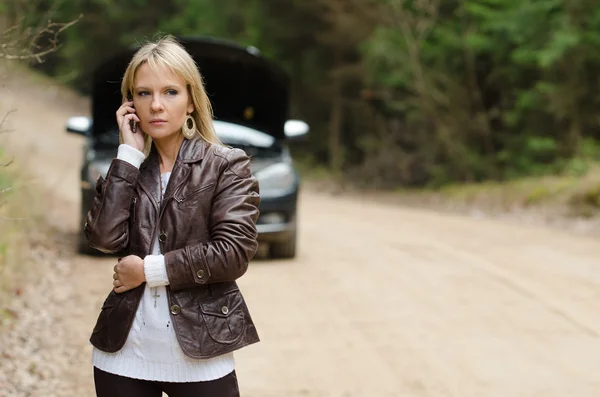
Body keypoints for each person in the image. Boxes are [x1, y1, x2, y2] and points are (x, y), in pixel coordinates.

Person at [84, 35, 261, 397]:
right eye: (144, 93)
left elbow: (233, 253)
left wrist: (147, 271)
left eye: (170, 92)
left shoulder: (226, 165)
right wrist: (128, 156)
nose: (156, 106)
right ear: (130, 103)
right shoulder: (128, 167)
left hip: (201, 355)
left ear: (192, 101)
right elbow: (103, 238)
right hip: (122, 357)